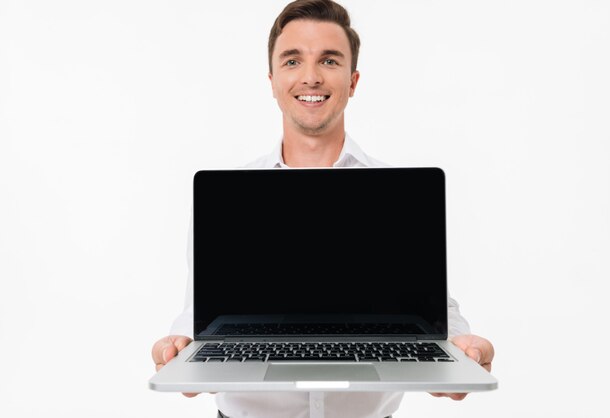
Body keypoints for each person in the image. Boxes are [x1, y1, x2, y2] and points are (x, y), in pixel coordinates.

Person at [152, 0, 495, 417]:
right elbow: (202, 315)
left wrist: (459, 349)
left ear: (353, 81)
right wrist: (180, 350)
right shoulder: (228, 198)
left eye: (329, 60)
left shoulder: (397, 195)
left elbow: (431, 313)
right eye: (293, 60)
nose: (310, 77)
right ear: (273, 79)